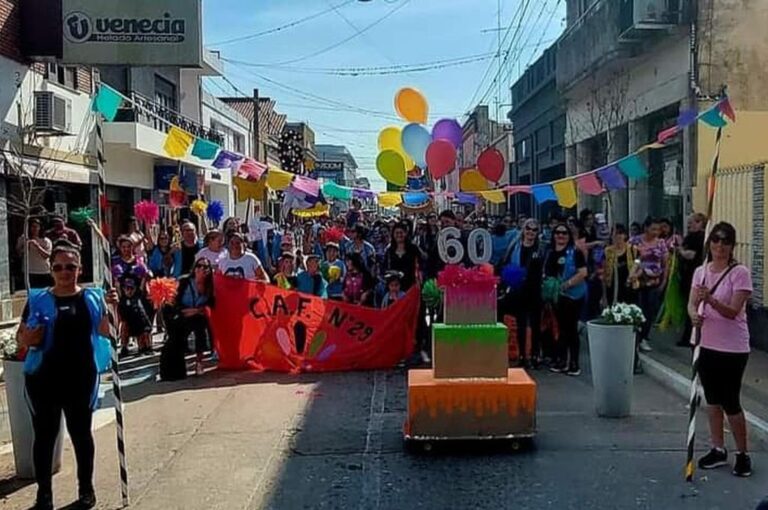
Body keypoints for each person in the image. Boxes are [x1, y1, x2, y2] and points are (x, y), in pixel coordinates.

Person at [17, 241, 113, 510]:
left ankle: (86, 490)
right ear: (51, 270)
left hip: (81, 378)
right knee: (44, 437)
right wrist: (27, 338)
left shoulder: (92, 299)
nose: (64, 272)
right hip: (43, 379)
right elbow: (20, 339)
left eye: (70, 266)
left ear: (79, 269)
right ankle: (44, 495)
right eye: (58, 267)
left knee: (81, 434)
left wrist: (113, 308)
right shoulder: (37, 299)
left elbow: (108, 332)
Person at [688, 222, 753, 478]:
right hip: (705, 343)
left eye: (725, 241)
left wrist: (711, 300)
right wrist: (694, 315)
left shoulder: (740, 273)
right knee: (712, 399)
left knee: (730, 401)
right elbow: (692, 304)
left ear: (732, 245)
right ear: (709, 243)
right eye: (715, 240)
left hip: (732, 347)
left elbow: (733, 311)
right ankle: (718, 448)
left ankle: (743, 453)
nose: (720, 246)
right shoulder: (700, 272)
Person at [544, 223, 588, 376]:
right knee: (560, 329)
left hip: (574, 295)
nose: (560, 236)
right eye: (557, 233)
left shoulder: (575, 252)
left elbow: (583, 273)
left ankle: (574, 363)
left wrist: (567, 284)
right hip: (557, 296)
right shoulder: (550, 252)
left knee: (571, 330)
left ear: (569, 236)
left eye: (564, 233)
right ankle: (562, 360)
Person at [161, 257, 216, 379]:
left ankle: (199, 362)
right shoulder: (184, 282)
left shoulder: (211, 287)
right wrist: (192, 311)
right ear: (194, 268)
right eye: (199, 266)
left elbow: (209, 306)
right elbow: (173, 304)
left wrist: (197, 311)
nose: (201, 269)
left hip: (197, 315)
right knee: (176, 340)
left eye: (205, 267)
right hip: (178, 314)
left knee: (200, 330)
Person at [500, 218, 544, 368]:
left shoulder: (541, 248)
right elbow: (505, 264)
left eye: (534, 230)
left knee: (536, 325)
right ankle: (522, 356)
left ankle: (535, 355)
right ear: (523, 230)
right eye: (528, 229)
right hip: (518, 291)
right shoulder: (514, 246)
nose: (531, 232)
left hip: (535, 291)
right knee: (521, 324)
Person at [630, 217, 669, 353]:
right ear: (646, 228)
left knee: (650, 310)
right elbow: (631, 259)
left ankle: (644, 337)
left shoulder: (661, 243)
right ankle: (636, 336)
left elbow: (665, 264)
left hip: (654, 281)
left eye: (658, 229)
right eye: (653, 229)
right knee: (638, 309)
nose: (656, 232)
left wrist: (664, 281)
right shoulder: (635, 241)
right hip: (638, 281)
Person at [676, 212, 707, 346]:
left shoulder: (699, 238)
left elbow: (691, 255)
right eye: (689, 221)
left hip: (694, 276)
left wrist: (680, 251)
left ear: (701, 223)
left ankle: (689, 337)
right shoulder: (691, 237)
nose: (690, 224)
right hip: (688, 274)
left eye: (694, 221)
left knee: (692, 306)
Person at [602, 224, 638, 306]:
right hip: (612, 289)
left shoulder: (633, 249)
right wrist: (604, 296)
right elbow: (604, 274)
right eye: (615, 233)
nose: (618, 236)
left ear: (625, 235)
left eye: (620, 233)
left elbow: (639, 264)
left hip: (629, 288)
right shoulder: (607, 251)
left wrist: (635, 274)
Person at [117, 274, 153, 355]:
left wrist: (144, 276)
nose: (129, 291)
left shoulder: (137, 295)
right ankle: (124, 347)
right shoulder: (123, 298)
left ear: (135, 288)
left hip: (139, 319)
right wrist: (116, 278)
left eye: (131, 288)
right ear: (123, 289)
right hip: (128, 320)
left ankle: (144, 347)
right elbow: (117, 286)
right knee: (124, 330)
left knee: (143, 333)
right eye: (127, 288)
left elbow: (141, 285)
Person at [383, 221, 421, 292]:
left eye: (401, 232)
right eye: (396, 233)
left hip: (410, 286)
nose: (399, 235)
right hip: (394, 288)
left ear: (406, 233)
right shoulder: (389, 251)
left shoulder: (413, 249)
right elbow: (385, 268)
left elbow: (420, 265)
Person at [16, 218, 53, 288]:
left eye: (36, 226)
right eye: (32, 226)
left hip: (43, 271)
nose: (34, 229)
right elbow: (19, 254)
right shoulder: (22, 238)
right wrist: (26, 246)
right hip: (29, 271)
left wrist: (37, 246)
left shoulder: (46, 240)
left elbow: (47, 255)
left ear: (39, 228)